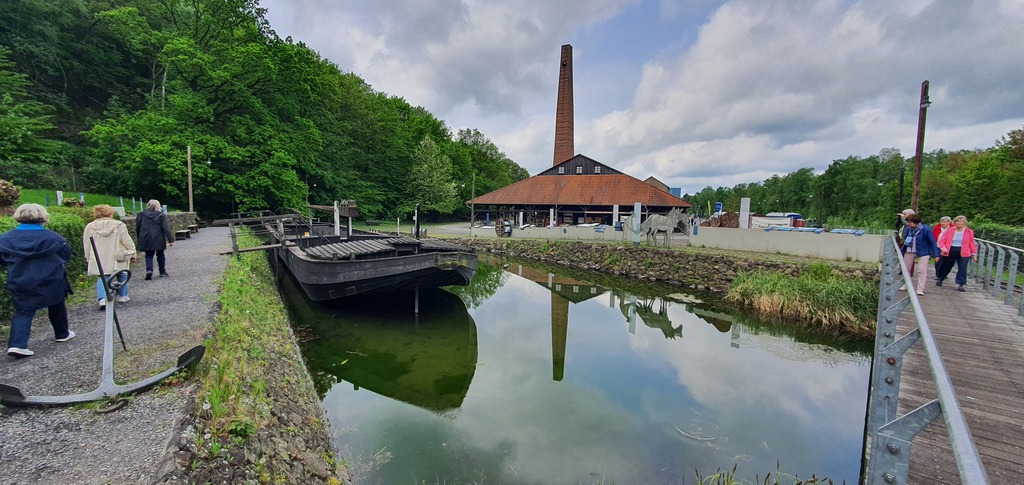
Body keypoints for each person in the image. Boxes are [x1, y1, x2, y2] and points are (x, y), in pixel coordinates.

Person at [0, 204, 75, 357]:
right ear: (42, 216)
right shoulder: (54, 238)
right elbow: (65, 256)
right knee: (57, 304)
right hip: (51, 278)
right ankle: (62, 333)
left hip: (20, 279)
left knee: (23, 311)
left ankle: (17, 345)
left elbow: (2, 259)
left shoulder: (5, 239)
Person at [84, 204, 137, 310]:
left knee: (103, 276)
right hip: (117, 254)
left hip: (99, 256)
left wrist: (88, 257)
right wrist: (133, 252)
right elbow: (126, 241)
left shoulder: (90, 226)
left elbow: (87, 244)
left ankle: (102, 299)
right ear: (110, 213)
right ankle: (122, 295)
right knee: (122, 273)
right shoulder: (119, 225)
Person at [935, 215, 978, 292]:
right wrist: (943, 248)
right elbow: (942, 241)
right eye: (957, 221)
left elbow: (972, 243)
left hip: (964, 251)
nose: (959, 223)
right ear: (954, 222)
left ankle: (961, 284)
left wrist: (974, 254)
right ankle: (940, 278)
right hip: (950, 250)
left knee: (963, 267)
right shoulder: (949, 230)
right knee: (946, 266)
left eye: (961, 221)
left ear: (964, 223)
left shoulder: (969, 231)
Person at [899, 214, 939, 296]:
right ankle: (906, 284)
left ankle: (920, 288)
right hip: (909, 250)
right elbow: (905, 239)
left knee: (922, 270)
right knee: (906, 269)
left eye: (910, 222)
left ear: (915, 222)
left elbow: (932, 242)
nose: (908, 224)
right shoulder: (908, 229)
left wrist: (936, 254)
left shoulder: (926, 229)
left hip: (923, 251)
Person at [136, 199, 174, 279]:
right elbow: (166, 228)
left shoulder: (141, 214)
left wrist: (139, 237)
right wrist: (170, 240)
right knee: (160, 254)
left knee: (149, 255)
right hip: (158, 237)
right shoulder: (160, 215)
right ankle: (162, 271)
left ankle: (149, 270)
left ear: (148, 205)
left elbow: (138, 227)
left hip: (146, 237)